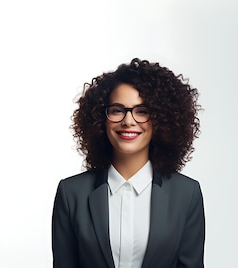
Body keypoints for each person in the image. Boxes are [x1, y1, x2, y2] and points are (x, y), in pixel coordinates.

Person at [52, 58, 205, 268]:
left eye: (142, 111)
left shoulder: (186, 194)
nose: (128, 121)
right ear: (100, 119)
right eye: (117, 110)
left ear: (161, 119)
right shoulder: (71, 193)